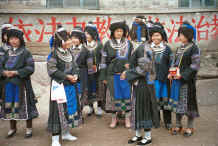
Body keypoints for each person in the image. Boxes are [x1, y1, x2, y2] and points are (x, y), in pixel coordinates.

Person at [0, 28, 38, 138]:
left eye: (16, 38)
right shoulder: (5, 53)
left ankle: (29, 129)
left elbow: (31, 68)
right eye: (11, 38)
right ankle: (12, 128)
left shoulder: (26, 53)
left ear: (20, 39)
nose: (13, 41)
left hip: (22, 85)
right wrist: (3, 72)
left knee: (25, 106)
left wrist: (16, 72)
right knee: (10, 106)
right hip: (7, 85)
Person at [47, 26, 82, 146]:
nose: (70, 42)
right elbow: (51, 70)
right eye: (67, 40)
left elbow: (75, 67)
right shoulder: (53, 54)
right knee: (58, 111)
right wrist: (67, 77)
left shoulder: (69, 52)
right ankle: (55, 139)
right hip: (59, 86)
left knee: (68, 109)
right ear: (61, 41)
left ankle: (66, 133)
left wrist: (76, 75)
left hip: (70, 86)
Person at [123, 34, 160, 145]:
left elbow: (144, 69)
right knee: (136, 107)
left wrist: (127, 73)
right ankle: (138, 134)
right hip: (137, 83)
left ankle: (148, 136)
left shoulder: (145, 48)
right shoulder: (136, 46)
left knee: (144, 108)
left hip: (144, 83)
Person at [168, 22, 200, 137]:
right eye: (179, 34)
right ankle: (178, 124)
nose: (179, 36)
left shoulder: (194, 48)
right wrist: (170, 73)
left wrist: (182, 75)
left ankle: (190, 127)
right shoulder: (179, 48)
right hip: (177, 81)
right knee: (177, 103)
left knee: (189, 103)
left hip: (188, 81)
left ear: (187, 35)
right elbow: (175, 63)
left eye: (181, 34)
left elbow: (195, 65)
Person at [101, 21, 133, 128]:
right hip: (111, 75)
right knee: (112, 97)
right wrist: (103, 76)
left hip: (125, 74)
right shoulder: (107, 44)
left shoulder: (129, 44)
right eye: (117, 31)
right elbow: (103, 61)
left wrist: (130, 71)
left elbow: (132, 60)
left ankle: (127, 118)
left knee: (126, 96)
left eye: (121, 31)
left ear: (124, 32)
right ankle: (114, 119)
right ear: (113, 32)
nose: (119, 33)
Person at [149, 22, 173, 130]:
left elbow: (172, 63)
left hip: (165, 80)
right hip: (153, 80)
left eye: (158, 35)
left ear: (162, 36)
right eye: (153, 35)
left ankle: (168, 122)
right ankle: (156, 120)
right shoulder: (148, 49)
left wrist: (170, 73)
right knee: (154, 101)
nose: (155, 37)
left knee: (166, 101)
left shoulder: (167, 49)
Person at [84, 23, 104, 116]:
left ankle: (98, 106)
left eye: (88, 34)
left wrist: (99, 66)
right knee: (89, 87)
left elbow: (103, 58)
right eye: (85, 34)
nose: (86, 36)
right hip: (86, 72)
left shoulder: (99, 45)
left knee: (98, 87)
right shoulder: (83, 45)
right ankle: (91, 106)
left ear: (93, 34)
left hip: (97, 71)